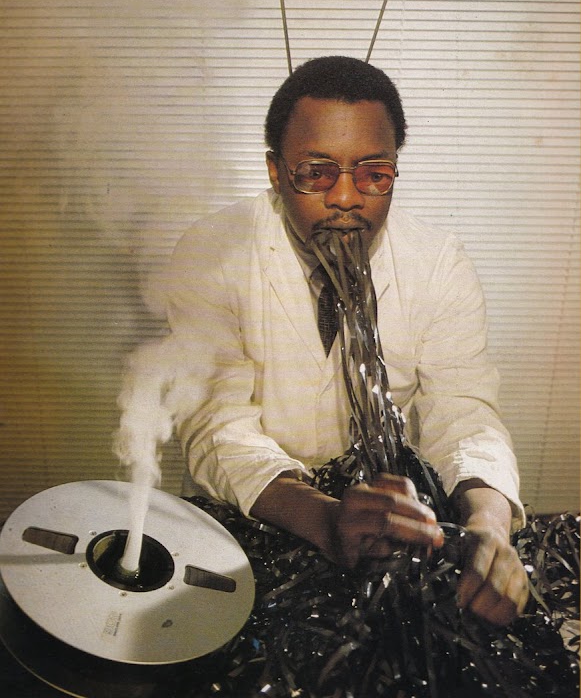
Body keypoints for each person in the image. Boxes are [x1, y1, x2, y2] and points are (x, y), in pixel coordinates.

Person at [161, 55, 529, 628]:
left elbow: (463, 411)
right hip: (251, 515)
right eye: (317, 172)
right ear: (276, 171)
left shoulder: (437, 262)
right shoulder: (213, 252)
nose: (346, 198)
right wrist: (323, 517)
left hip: (381, 527)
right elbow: (215, 425)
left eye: (373, 173)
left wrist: (488, 526)